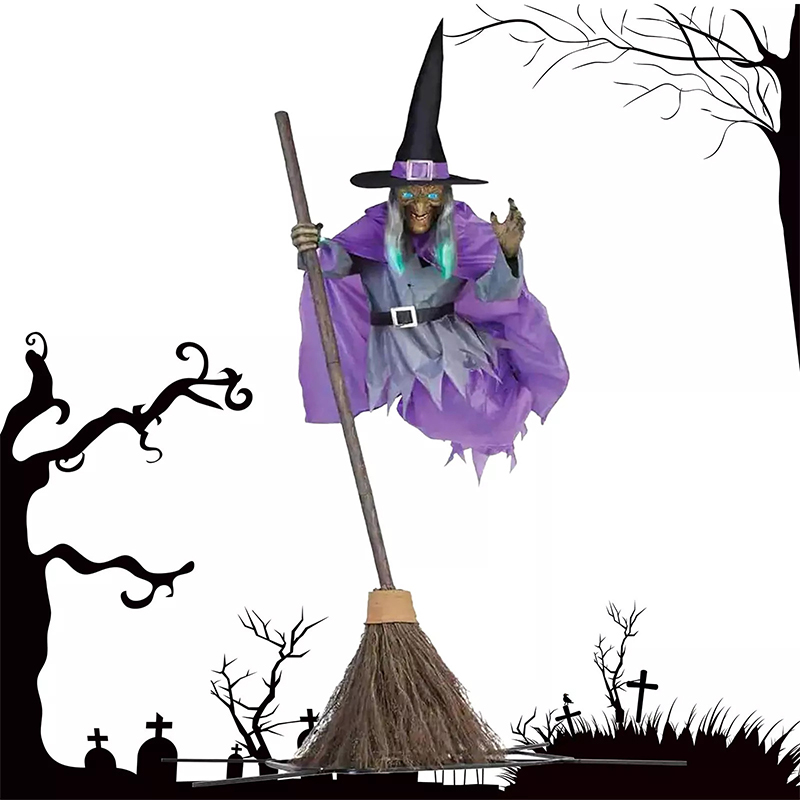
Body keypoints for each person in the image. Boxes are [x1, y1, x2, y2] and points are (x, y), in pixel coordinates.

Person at [291, 21, 568, 479]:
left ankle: (503, 399)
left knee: (484, 414)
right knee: (435, 411)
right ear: (395, 195)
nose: (421, 207)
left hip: (447, 345)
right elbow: (338, 262)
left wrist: (506, 254)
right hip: (394, 349)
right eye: (410, 195)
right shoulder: (374, 229)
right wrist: (313, 248)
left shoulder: (463, 231)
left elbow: (497, 294)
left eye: (432, 195)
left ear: (445, 196)